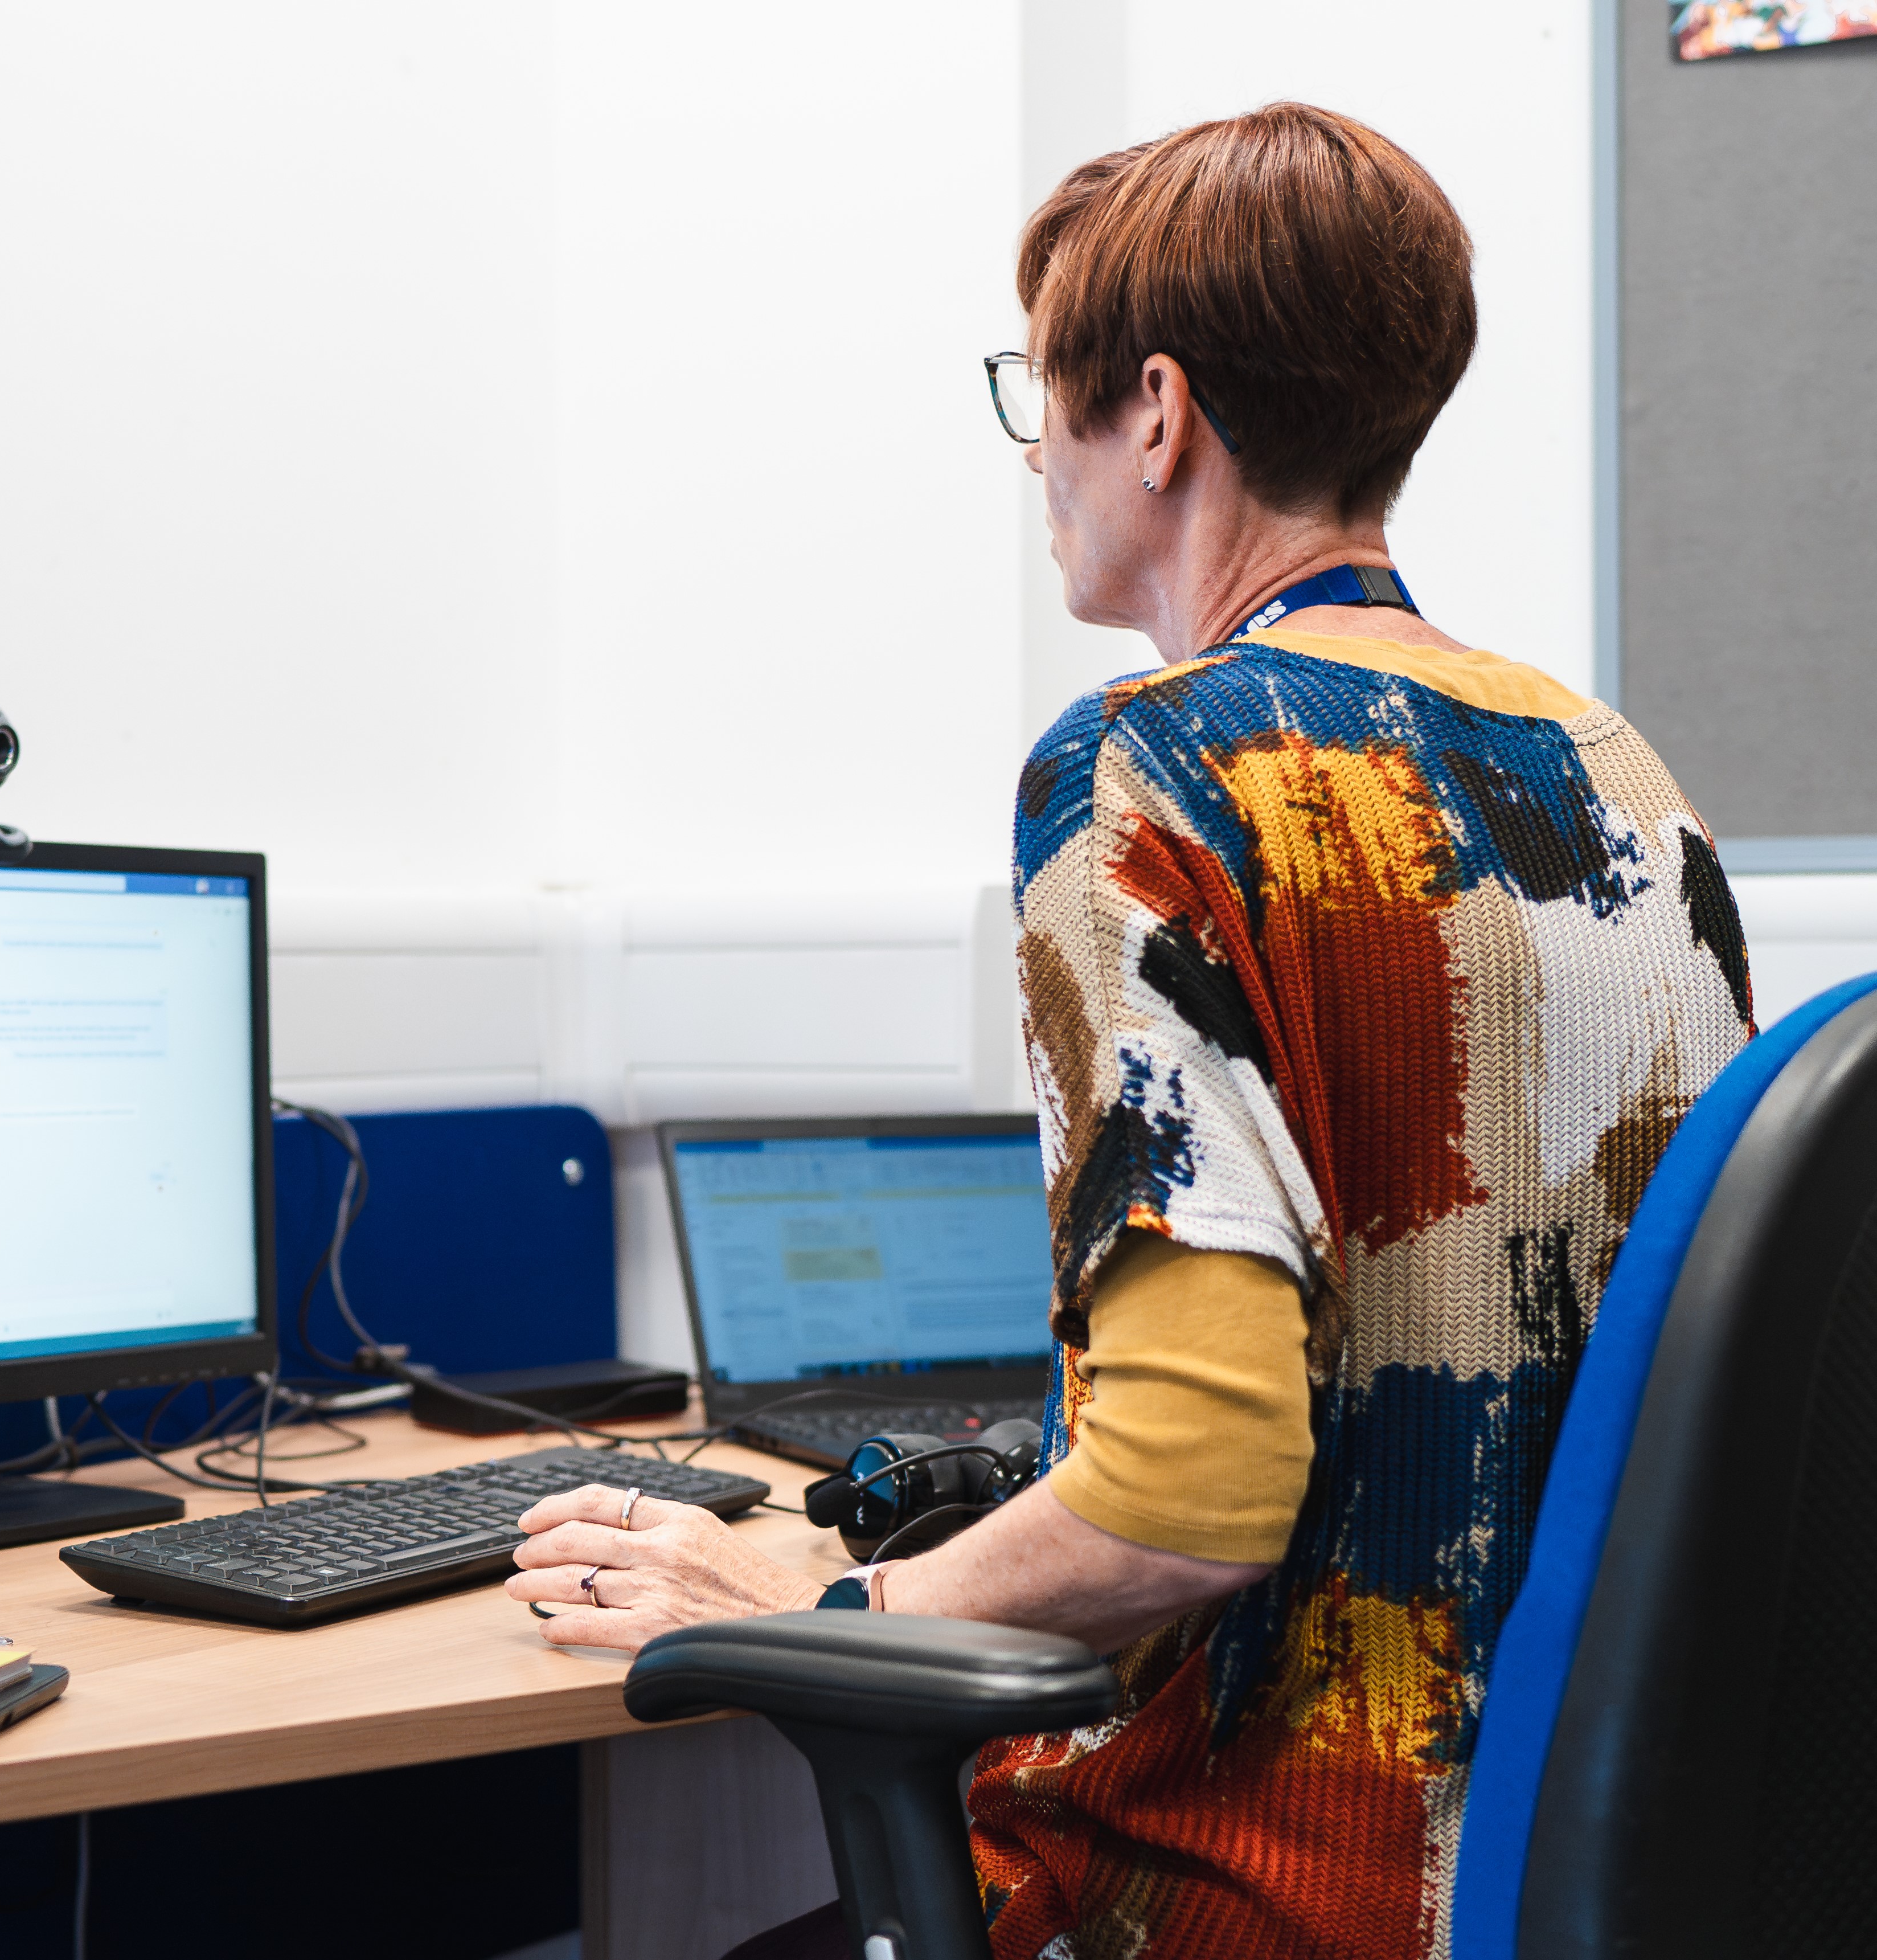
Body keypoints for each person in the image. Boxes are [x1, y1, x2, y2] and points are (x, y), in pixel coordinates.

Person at [506, 102, 1757, 1959]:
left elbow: (1188, 1496)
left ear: (1156, 414)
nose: (1041, 461)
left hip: (1256, 1884)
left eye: (1049, 397)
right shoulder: (1628, 784)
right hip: (1588, 1877)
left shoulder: (1146, 768)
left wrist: (817, 1593)